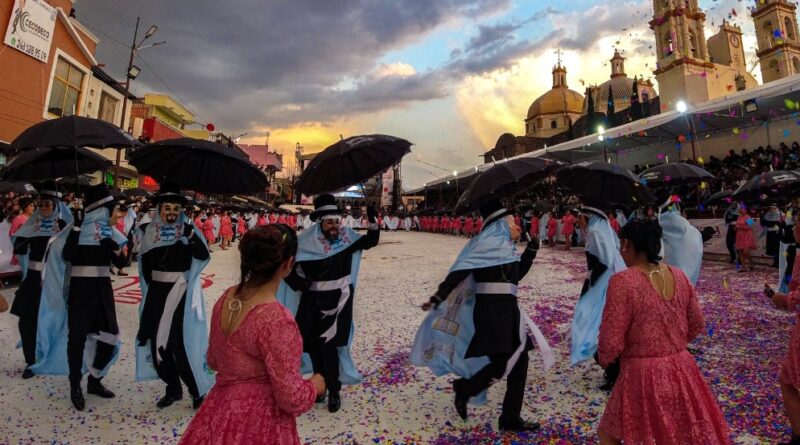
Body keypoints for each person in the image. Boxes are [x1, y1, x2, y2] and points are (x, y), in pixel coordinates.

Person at [412, 200, 552, 432]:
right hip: (491, 313)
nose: (517, 226)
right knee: (508, 362)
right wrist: (438, 297)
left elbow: (515, 278)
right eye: (512, 222)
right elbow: (458, 273)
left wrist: (531, 251)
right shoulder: (484, 246)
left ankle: (498, 409)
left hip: (509, 311)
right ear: (500, 225)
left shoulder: (506, 248)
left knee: (516, 361)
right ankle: (474, 394)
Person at [179, 225, 325, 444]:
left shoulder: (226, 297)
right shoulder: (277, 320)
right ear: (288, 264)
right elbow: (292, 399)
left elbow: (214, 360)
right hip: (259, 421)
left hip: (219, 411)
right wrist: (316, 384)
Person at [597, 219, 730, 444]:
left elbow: (611, 342)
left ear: (626, 244)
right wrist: (672, 345)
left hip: (642, 374)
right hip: (682, 369)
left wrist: (606, 359)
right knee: (677, 433)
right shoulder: (678, 275)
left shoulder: (623, 281)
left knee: (614, 435)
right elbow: (697, 323)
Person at [280, 194, 379, 413]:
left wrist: (372, 220)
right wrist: (301, 284)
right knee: (312, 344)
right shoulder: (304, 242)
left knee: (330, 346)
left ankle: (334, 389)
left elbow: (370, 241)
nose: (335, 226)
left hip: (338, 301)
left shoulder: (345, 239)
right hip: (311, 302)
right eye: (329, 222)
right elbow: (286, 267)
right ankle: (320, 385)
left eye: (336, 221)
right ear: (319, 222)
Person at [37, 184, 128, 411]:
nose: (118, 214)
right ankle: (75, 384)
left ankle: (95, 379)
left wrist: (115, 249)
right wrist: (77, 228)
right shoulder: (77, 229)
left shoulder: (109, 232)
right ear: (103, 210)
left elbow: (121, 263)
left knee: (110, 336)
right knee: (76, 338)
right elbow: (68, 255)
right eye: (115, 210)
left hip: (103, 290)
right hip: (81, 291)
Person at [134, 182, 214, 409]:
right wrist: (154, 288)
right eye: (167, 208)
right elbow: (145, 265)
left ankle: (196, 390)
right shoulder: (148, 232)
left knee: (179, 343)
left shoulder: (188, 231)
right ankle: (173, 387)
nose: (171, 213)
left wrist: (191, 237)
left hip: (179, 293)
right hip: (156, 293)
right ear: (159, 210)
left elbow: (203, 256)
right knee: (155, 342)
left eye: (175, 209)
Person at [10, 186, 71, 379]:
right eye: (41, 205)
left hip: (55, 281)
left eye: (48, 205)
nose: (43, 208)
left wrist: (67, 232)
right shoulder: (33, 224)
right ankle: (31, 360)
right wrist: (23, 237)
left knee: (52, 320)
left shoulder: (66, 226)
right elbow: (19, 249)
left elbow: (72, 255)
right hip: (33, 280)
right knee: (26, 321)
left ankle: (50, 355)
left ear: (57, 206)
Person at [570, 206, 626, 390]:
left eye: (580, 217)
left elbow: (603, 264)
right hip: (609, 282)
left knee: (593, 329)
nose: (578, 221)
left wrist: (589, 290)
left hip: (601, 286)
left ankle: (613, 370)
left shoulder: (595, 232)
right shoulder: (602, 230)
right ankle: (615, 369)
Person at [763, 204, 785, 268]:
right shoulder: (768, 214)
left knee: (777, 248)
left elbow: (785, 223)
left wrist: (779, 227)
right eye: (770, 208)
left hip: (777, 234)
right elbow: (763, 223)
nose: (772, 209)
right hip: (770, 233)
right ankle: (775, 262)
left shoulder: (781, 214)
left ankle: (779, 263)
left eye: (773, 208)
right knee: (773, 248)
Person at [735, 206, 757, 272]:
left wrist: (740, 227)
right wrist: (736, 227)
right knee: (740, 251)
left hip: (747, 235)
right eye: (740, 209)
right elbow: (736, 225)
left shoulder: (749, 217)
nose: (740, 210)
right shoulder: (739, 217)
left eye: (742, 209)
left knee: (745, 251)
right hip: (739, 235)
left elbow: (750, 227)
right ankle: (743, 267)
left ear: (745, 210)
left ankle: (751, 262)